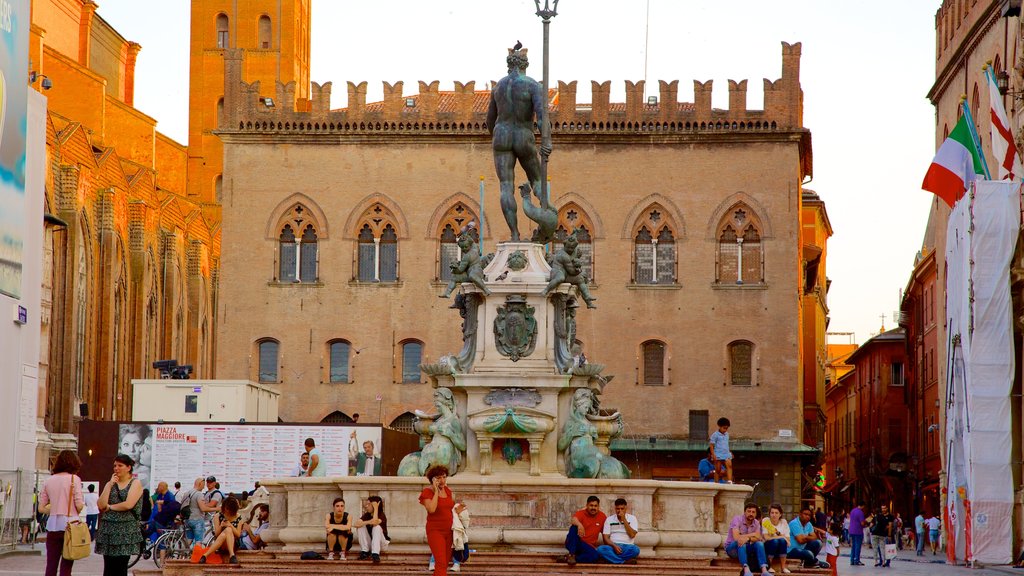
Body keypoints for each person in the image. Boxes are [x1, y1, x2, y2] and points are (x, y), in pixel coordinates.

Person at [486, 43, 551, 242]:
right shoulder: (533, 85)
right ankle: (547, 215)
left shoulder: (498, 87)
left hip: (501, 135)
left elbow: (490, 120)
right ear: (525, 65)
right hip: (523, 135)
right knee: (537, 179)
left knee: (506, 186)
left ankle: (514, 235)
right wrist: (547, 140)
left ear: (509, 66)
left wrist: (497, 135)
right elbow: (541, 117)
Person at [95, 454, 144, 576]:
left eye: (120, 465)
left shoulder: (135, 483)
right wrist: (109, 485)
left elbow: (128, 504)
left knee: (121, 565)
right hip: (109, 529)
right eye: (115, 465)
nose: (116, 468)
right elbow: (101, 505)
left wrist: (110, 507)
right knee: (108, 565)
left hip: (125, 529)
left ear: (128, 467)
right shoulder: (111, 484)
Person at [38, 450, 85, 576]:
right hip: (70, 526)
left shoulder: (49, 480)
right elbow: (79, 505)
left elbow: (41, 508)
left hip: (52, 525)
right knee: (67, 564)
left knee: (51, 564)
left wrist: (55, 509)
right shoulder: (74, 479)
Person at [420, 465, 455, 575]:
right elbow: (431, 509)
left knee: (444, 562)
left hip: (449, 531)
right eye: (439, 478)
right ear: (433, 479)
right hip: (435, 531)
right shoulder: (427, 492)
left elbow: (450, 509)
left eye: (444, 477)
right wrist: (436, 492)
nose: (442, 480)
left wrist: (459, 510)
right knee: (440, 561)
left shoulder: (448, 491)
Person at [726, 501, 770, 576]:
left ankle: (764, 570)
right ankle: (746, 569)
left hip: (746, 548)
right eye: (749, 511)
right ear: (744, 512)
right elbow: (736, 537)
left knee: (759, 544)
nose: (751, 514)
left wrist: (748, 539)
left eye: (753, 512)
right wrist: (752, 535)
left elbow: (758, 537)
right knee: (741, 542)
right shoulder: (737, 519)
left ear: (756, 514)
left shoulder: (756, 523)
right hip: (732, 548)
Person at [562, 495, 606, 566]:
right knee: (574, 527)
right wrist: (579, 524)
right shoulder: (581, 513)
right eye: (591, 505)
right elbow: (573, 520)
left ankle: (568, 558)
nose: (593, 508)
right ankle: (572, 554)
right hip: (575, 542)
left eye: (595, 506)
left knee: (594, 556)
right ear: (587, 505)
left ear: (598, 507)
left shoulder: (602, 516)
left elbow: (605, 533)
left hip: (587, 546)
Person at [199, 496, 242, 564]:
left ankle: (205, 555)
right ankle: (232, 556)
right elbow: (216, 534)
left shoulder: (238, 517)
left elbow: (238, 534)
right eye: (226, 509)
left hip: (233, 543)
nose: (227, 511)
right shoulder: (218, 516)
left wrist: (230, 525)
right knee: (225, 532)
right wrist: (221, 526)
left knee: (228, 529)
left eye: (229, 509)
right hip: (221, 544)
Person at [596, 498, 640, 565]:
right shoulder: (609, 519)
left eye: (622, 509)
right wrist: (614, 546)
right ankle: (623, 562)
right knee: (600, 549)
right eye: (618, 509)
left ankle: (612, 559)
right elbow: (605, 538)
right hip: (613, 546)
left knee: (636, 550)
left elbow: (632, 535)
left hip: (627, 546)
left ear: (626, 508)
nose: (620, 511)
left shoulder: (632, 518)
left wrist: (624, 520)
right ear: (615, 508)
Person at [355, 496, 389, 563]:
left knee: (377, 527)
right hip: (371, 544)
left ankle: (375, 554)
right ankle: (365, 551)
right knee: (360, 526)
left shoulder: (381, 515)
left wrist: (376, 508)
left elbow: (375, 523)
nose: (366, 506)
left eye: (369, 504)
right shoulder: (367, 515)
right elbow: (356, 524)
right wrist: (368, 522)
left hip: (381, 545)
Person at [762, 503, 791, 575]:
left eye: (776, 513)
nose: (774, 515)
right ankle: (769, 566)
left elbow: (787, 539)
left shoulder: (783, 522)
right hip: (767, 547)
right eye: (772, 513)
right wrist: (782, 536)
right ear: (769, 514)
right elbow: (766, 537)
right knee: (775, 541)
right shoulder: (766, 520)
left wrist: (783, 537)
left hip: (780, 548)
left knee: (781, 541)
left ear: (780, 514)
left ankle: (783, 567)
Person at [176, 477, 205, 544]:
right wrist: (216, 508)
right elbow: (203, 508)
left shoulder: (187, 493)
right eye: (203, 485)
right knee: (198, 541)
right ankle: (197, 554)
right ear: (200, 484)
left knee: (188, 540)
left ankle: (184, 553)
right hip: (197, 519)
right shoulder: (199, 494)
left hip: (187, 519)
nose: (203, 488)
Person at [710, 417, 733, 483]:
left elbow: (726, 444)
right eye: (724, 428)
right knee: (718, 469)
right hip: (718, 453)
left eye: (726, 428)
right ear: (720, 426)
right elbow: (711, 445)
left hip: (726, 453)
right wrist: (713, 454)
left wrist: (730, 452)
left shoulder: (727, 435)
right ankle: (716, 482)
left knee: (729, 465)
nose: (725, 430)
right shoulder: (715, 435)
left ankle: (729, 480)